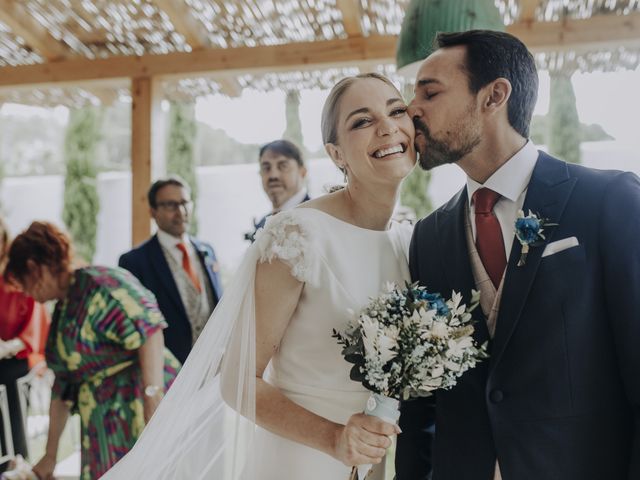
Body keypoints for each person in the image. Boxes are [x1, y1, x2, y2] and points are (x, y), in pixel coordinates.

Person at [102, 72, 415, 479]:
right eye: (362, 120)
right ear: (336, 154)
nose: (387, 126)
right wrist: (334, 438)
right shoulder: (297, 235)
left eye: (396, 111)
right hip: (302, 460)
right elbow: (236, 380)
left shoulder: (408, 241)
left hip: (374, 464)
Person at [395, 30, 640, 480]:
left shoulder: (608, 201)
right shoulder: (428, 237)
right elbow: (422, 401)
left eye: (429, 92)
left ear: (494, 96)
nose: (412, 110)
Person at [3, 221, 180, 480]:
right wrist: (50, 455)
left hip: (138, 412)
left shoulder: (101, 283)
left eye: (23, 284)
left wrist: (152, 397)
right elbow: (62, 388)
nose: (26, 294)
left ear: (35, 269)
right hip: (102, 430)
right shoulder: (63, 309)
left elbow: (149, 330)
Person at [119, 176, 223, 364]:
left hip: (213, 365)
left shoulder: (207, 251)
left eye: (184, 203)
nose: (180, 211)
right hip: (168, 370)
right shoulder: (134, 262)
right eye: (170, 205)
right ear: (153, 211)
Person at [0, 217, 50, 472]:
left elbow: (35, 323)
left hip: (16, 359)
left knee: (10, 390)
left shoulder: (17, 277)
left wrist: (6, 347)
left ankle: (18, 466)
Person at [245, 139, 310, 242]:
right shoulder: (264, 222)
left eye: (283, 166)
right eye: (266, 168)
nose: (273, 175)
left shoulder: (316, 216)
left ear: (302, 172)